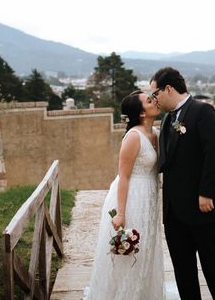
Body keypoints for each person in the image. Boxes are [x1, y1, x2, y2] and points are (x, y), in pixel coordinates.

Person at [152, 67, 215, 300]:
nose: (154, 100)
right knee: (183, 272)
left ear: (168, 89)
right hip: (174, 214)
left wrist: (206, 193)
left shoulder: (202, 110)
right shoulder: (167, 120)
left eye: (155, 94)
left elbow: (213, 153)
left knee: (214, 270)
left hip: (202, 208)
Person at [84, 91, 166, 299]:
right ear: (141, 113)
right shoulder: (133, 137)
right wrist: (120, 214)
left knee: (146, 249)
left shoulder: (155, 133)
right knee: (129, 253)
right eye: (149, 100)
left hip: (150, 198)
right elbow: (124, 177)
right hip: (132, 198)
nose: (154, 101)